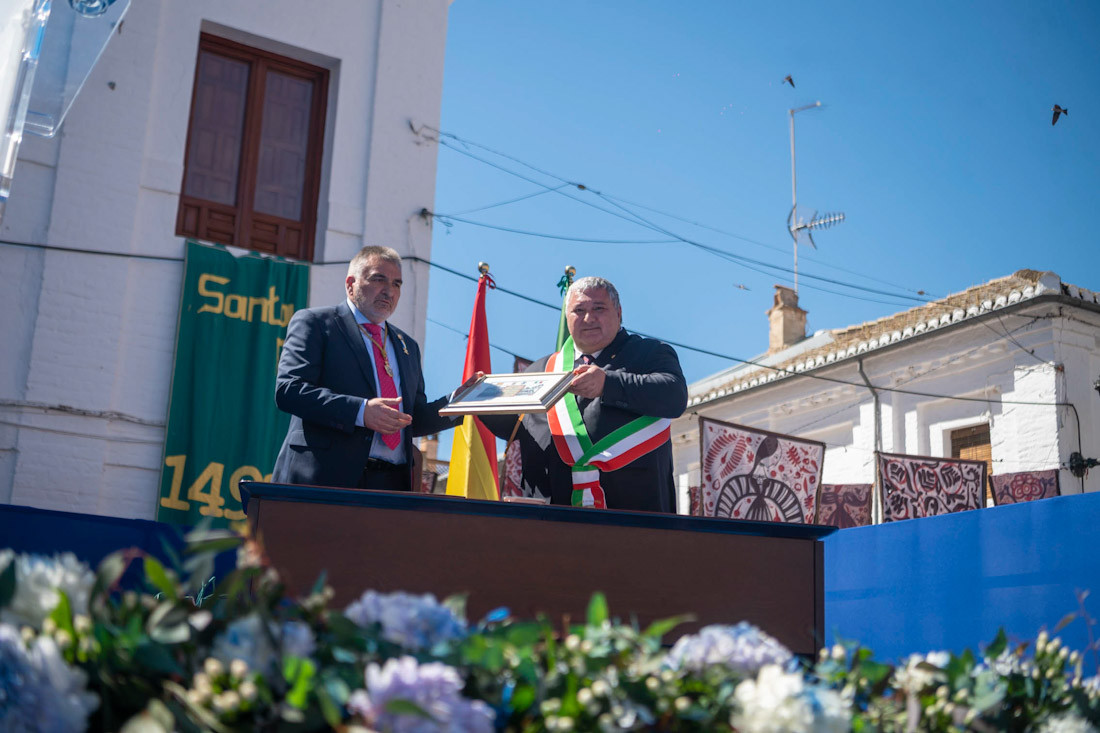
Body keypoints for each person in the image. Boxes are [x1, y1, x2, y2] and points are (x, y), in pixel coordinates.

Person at [485, 277, 688, 513]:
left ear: (619, 313)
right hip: (550, 518)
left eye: (598, 308)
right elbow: (513, 428)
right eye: (579, 310)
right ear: (567, 317)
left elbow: (674, 395)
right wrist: (477, 401)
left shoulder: (649, 353)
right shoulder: (541, 369)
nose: (589, 318)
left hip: (635, 518)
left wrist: (608, 384)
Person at [272, 245, 463, 491]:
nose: (389, 291)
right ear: (350, 284)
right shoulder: (317, 324)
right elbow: (289, 390)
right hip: (325, 479)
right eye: (378, 279)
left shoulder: (407, 346)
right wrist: (361, 412)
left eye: (397, 284)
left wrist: (458, 403)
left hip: (391, 485)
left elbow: (413, 419)